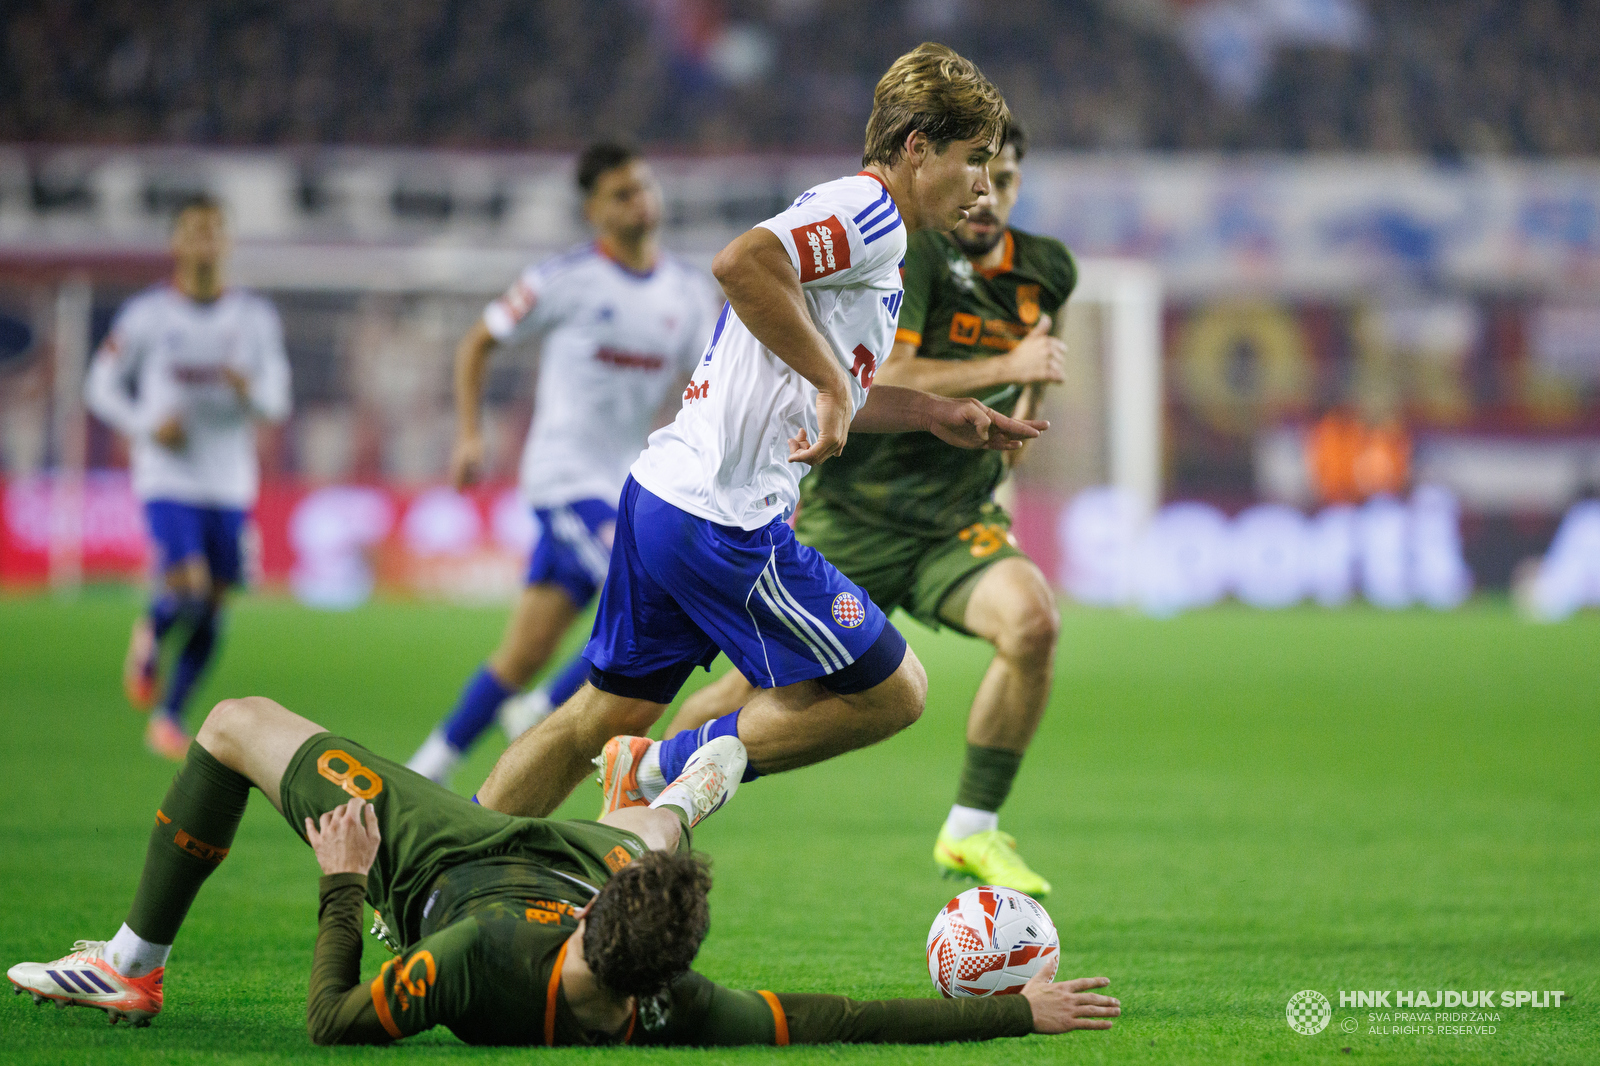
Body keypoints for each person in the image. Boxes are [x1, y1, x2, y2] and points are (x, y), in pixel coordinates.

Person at [474, 43, 1048, 823]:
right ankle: (658, 772)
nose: (984, 185)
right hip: (725, 519)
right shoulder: (870, 213)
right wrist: (828, 383)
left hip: (666, 496)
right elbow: (742, 264)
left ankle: (441, 868)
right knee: (894, 691)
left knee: (597, 716)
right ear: (917, 147)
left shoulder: (865, 226)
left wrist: (935, 413)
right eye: (973, 158)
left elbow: (829, 383)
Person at [7, 698, 1120, 1046]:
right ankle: (674, 793)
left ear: (593, 934)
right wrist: (1012, 1016)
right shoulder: (676, 1004)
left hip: (440, 860)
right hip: (583, 862)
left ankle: (129, 964)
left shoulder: (482, 959)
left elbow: (334, 1023)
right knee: (648, 836)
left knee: (234, 723)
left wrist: (344, 876)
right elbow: (838, 1018)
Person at [665, 123, 1074, 898]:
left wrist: (1023, 398)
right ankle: (656, 793)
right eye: (984, 171)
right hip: (853, 514)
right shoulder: (912, 249)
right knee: (750, 695)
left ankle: (971, 829)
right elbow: (890, 371)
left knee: (1034, 623)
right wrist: (1007, 365)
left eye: (1009, 180)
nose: (991, 196)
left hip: (953, 520)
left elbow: (1035, 368)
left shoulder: (1047, 269)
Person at [406, 142, 717, 786]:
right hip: (565, 479)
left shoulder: (687, 293)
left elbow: (704, 390)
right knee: (654, 591)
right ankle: (543, 716)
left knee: (520, 654)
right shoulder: (563, 280)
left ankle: (424, 770)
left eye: (644, 187)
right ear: (592, 211)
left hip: (626, 484)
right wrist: (469, 434)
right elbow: (478, 342)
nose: (640, 201)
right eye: (622, 194)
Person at [85, 195, 292, 760]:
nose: (204, 242)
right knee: (190, 586)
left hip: (229, 483)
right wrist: (147, 425)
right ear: (176, 244)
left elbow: (279, 400)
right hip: (168, 476)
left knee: (215, 605)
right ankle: (151, 631)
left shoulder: (254, 318)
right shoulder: (147, 316)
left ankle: (170, 715)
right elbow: (99, 384)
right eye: (193, 232)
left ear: (226, 244)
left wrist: (249, 390)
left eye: (213, 232)